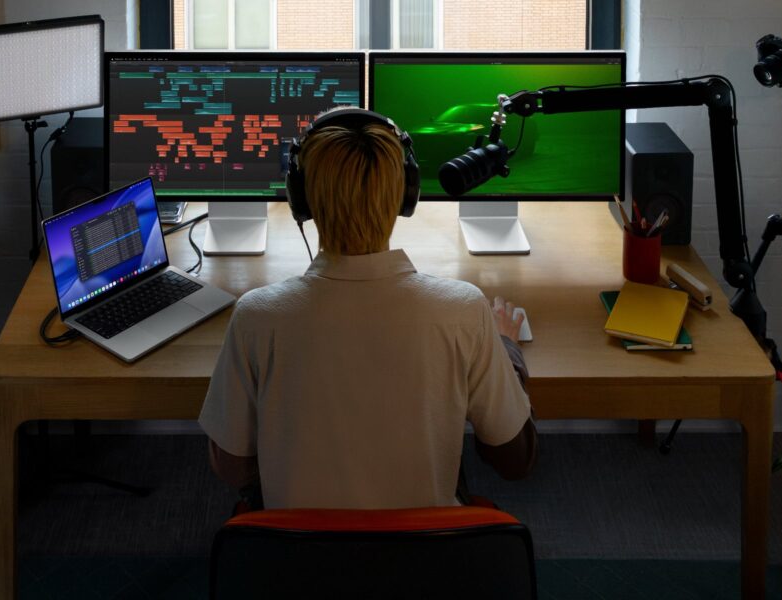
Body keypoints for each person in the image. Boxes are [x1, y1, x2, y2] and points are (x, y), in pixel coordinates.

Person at [198, 108, 536, 509]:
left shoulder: (256, 317)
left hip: (294, 558)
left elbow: (232, 468)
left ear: (301, 198)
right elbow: (515, 460)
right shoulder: (463, 311)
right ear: (405, 196)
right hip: (422, 555)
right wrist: (506, 350)